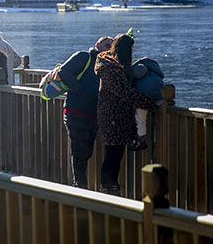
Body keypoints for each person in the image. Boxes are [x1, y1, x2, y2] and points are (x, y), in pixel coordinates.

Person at [95, 34, 162, 196]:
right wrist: (150, 102)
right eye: (131, 49)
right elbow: (124, 92)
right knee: (112, 156)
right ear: (126, 50)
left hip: (115, 116)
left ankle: (111, 190)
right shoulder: (110, 69)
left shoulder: (112, 67)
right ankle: (109, 191)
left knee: (115, 156)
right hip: (113, 117)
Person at [57, 36, 113, 189]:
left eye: (112, 46)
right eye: (106, 45)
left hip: (94, 114)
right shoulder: (84, 57)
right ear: (97, 45)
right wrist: (80, 90)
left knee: (87, 150)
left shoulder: (110, 65)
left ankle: (80, 184)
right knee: (78, 149)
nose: (109, 48)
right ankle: (80, 186)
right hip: (76, 111)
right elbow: (64, 72)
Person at [130, 57, 166, 151]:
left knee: (140, 118)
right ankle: (153, 142)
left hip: (143, 98)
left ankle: (141, 140)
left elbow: (134, 74)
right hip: (157, 98)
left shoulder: (141, 67)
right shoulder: (156, 72)